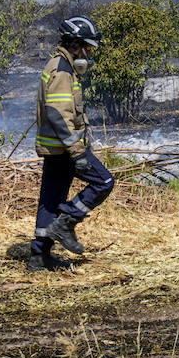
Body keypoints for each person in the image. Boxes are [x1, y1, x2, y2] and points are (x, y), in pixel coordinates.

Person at [28, 16, 115, 272]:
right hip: (66, 148)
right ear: (75, 44)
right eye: (87, 48)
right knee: (104, 181)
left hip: (55, 148)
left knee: (50, 200)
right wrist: (77, 152)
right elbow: (57, 114)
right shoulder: (62, 71)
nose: (88, 54)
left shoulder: (60, 65)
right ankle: (67, 222)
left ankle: (39, 257)